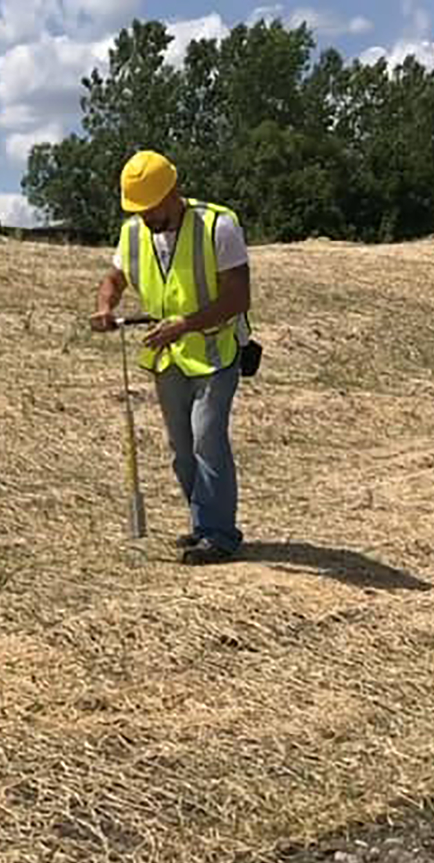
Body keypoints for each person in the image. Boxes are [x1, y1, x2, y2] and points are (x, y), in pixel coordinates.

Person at [90, 150, 253, 565]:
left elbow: (238, 296)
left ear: (173, 191)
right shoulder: (133, 233)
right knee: (182, 450)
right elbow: (114, 278)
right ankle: (203, 525)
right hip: (168, 359)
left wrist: (185, 325)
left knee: (207, 438)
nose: (146, 217)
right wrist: (106, 306)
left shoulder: (219, 226)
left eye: (152, 208)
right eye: (139, 210)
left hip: (216, 353)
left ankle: (220, 536)